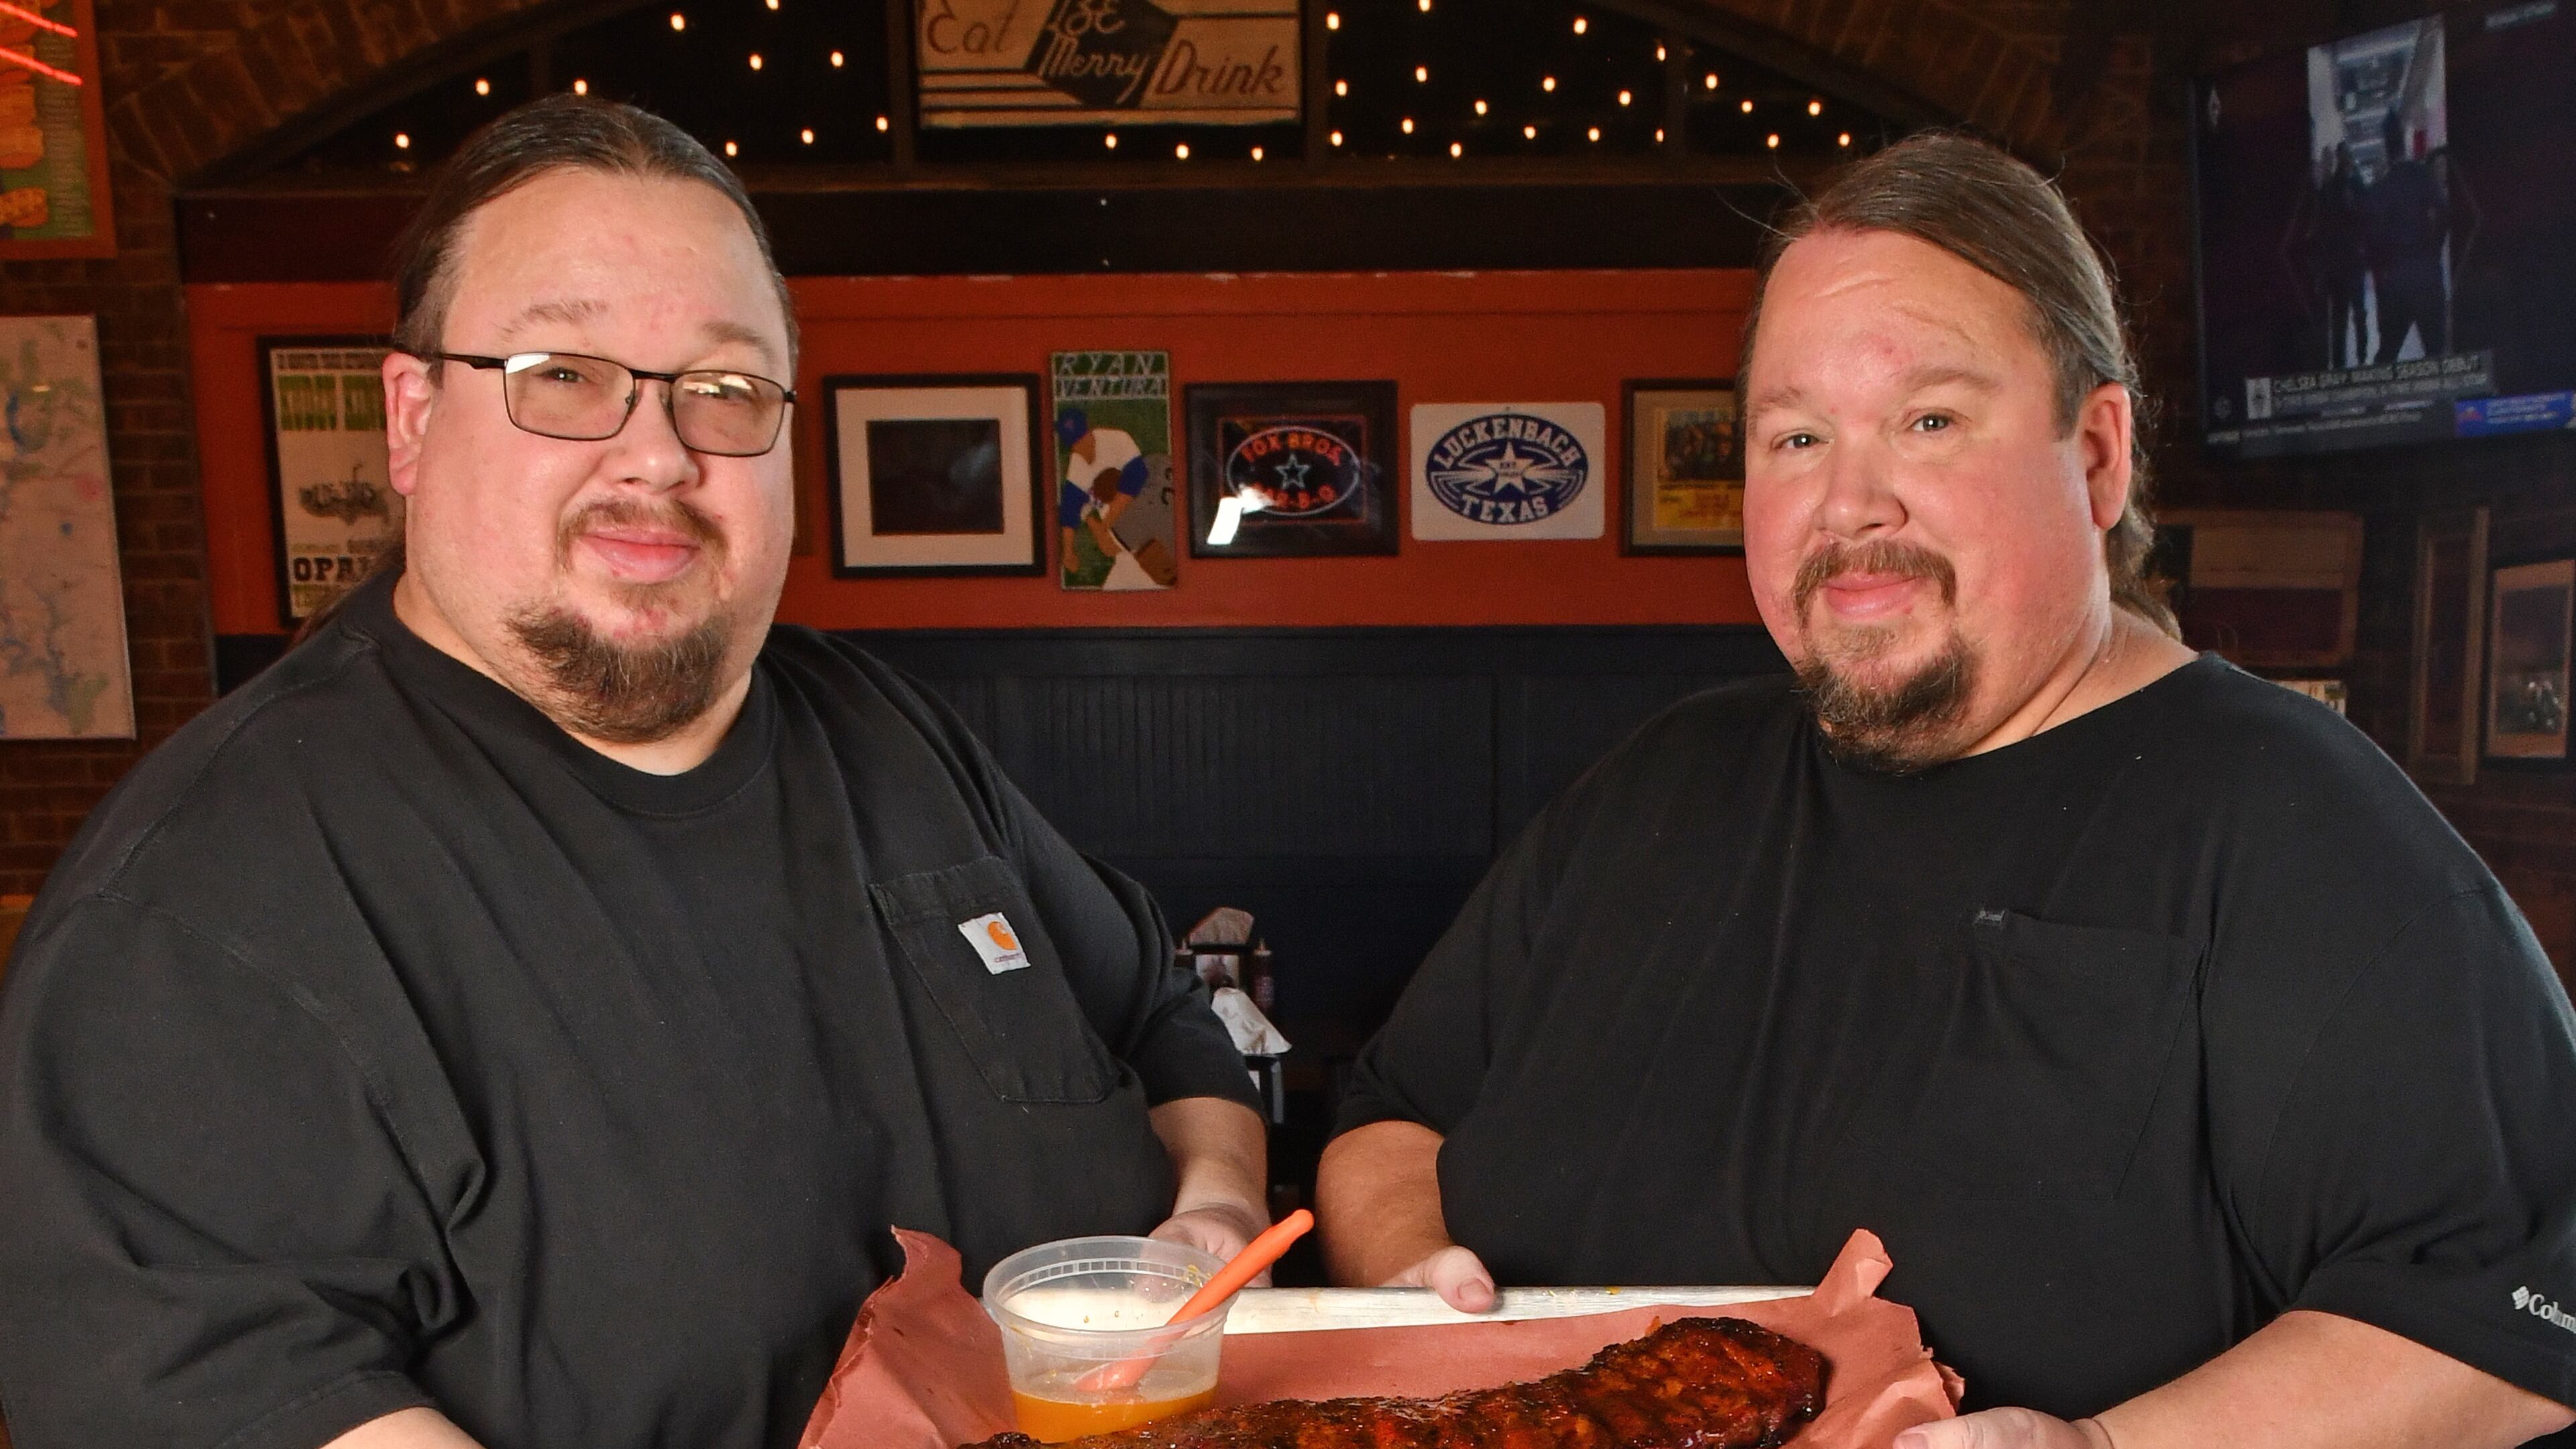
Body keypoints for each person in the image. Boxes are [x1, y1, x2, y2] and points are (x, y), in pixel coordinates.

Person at [0, 97, 1269, 1449]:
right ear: (412, 418)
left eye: (724, 391)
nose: (659, 454)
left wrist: (1214, 1221)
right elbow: (233, 1399)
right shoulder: (195, 919)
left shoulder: (887, 734)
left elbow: (1163, 1017)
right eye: (563, 373)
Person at [1317, 132, 2576, 1449]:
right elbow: (1393, 1117)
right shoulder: (1657, 784)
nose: (1850, 503)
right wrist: (1411, 1274)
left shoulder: (2301, 827)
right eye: (1795, 436)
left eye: (1928, 419)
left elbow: (2512, 1322)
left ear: (2095, 454)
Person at [2365, 109, 2451, 364]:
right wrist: (2434, 248)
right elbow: (2445, 212)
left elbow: (2373, 236)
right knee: (2436, 353)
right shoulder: (2421, 175)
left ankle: (2374, 403)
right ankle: (2443, 404)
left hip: (2397, 279)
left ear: (2386, 145)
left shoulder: (2382, 188)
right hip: (2426, 273)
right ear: (2403, 140)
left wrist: (2385, 267)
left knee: (2388, 351)